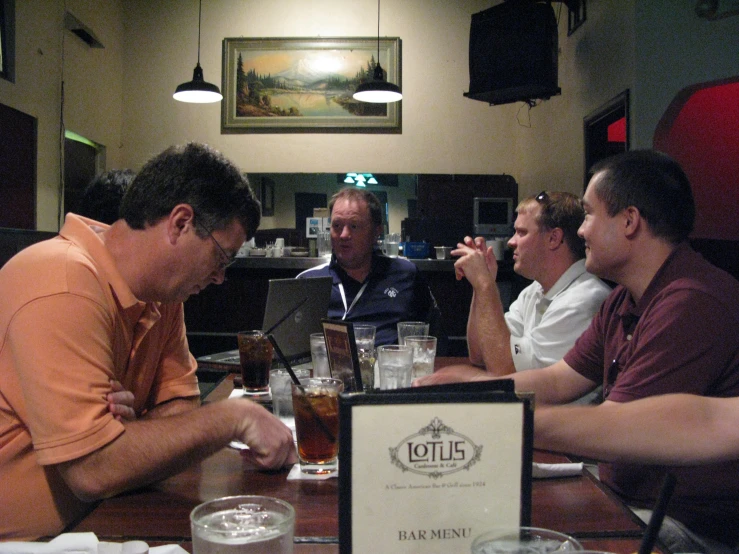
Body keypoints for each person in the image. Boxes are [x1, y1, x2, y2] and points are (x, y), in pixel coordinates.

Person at [416, 150, 739, 553]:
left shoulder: (692, 300)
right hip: (624, 496)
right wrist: (467, 394)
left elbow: (618, 425)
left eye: (588, 215)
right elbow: (557, 379)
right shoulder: (623, 298)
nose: (580, 231)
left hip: (685, 524)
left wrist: (490, 416)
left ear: (629, 221)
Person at [0, 143, 297, 540]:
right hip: (32, 542)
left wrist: (131, 433)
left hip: (105, 521)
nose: (220, 278)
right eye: (222, 258)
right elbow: (92, 471)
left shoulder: (162, 296)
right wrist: (233, 417)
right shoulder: (61, 281)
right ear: (179, 223)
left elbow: (180, 409)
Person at [437, 191, 610, 380]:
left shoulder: (582, 300)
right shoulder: (534, 291)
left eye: (521, 233)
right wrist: (482, 286)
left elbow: (506, 373)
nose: (511, 242)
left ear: (554, 238)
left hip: (557, 409)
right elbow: (480, 354)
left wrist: (485, 285)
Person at [297, 187, 440, 346]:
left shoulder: (406, 275)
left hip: (392, 367)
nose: (344, 234)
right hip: (333, 369)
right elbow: (291, 353)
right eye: (337, 225)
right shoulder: (308, 282)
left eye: (354, 226)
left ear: (376, 232)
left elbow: (434, 340)